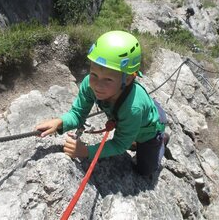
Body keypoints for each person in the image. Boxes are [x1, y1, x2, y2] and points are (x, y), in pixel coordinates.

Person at [36, 30, 168, 176]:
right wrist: (59, 122)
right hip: (137, 117)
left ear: (129, 79)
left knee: (145, 171)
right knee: (130, 133)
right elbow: (77, 114)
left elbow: (119, 144)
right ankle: (137, 133)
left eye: (108, 79)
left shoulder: (132, 108)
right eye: (94, 74)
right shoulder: (89, 84)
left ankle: (162, 140)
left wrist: (86, 152)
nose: (98, 85)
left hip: (150, 131)